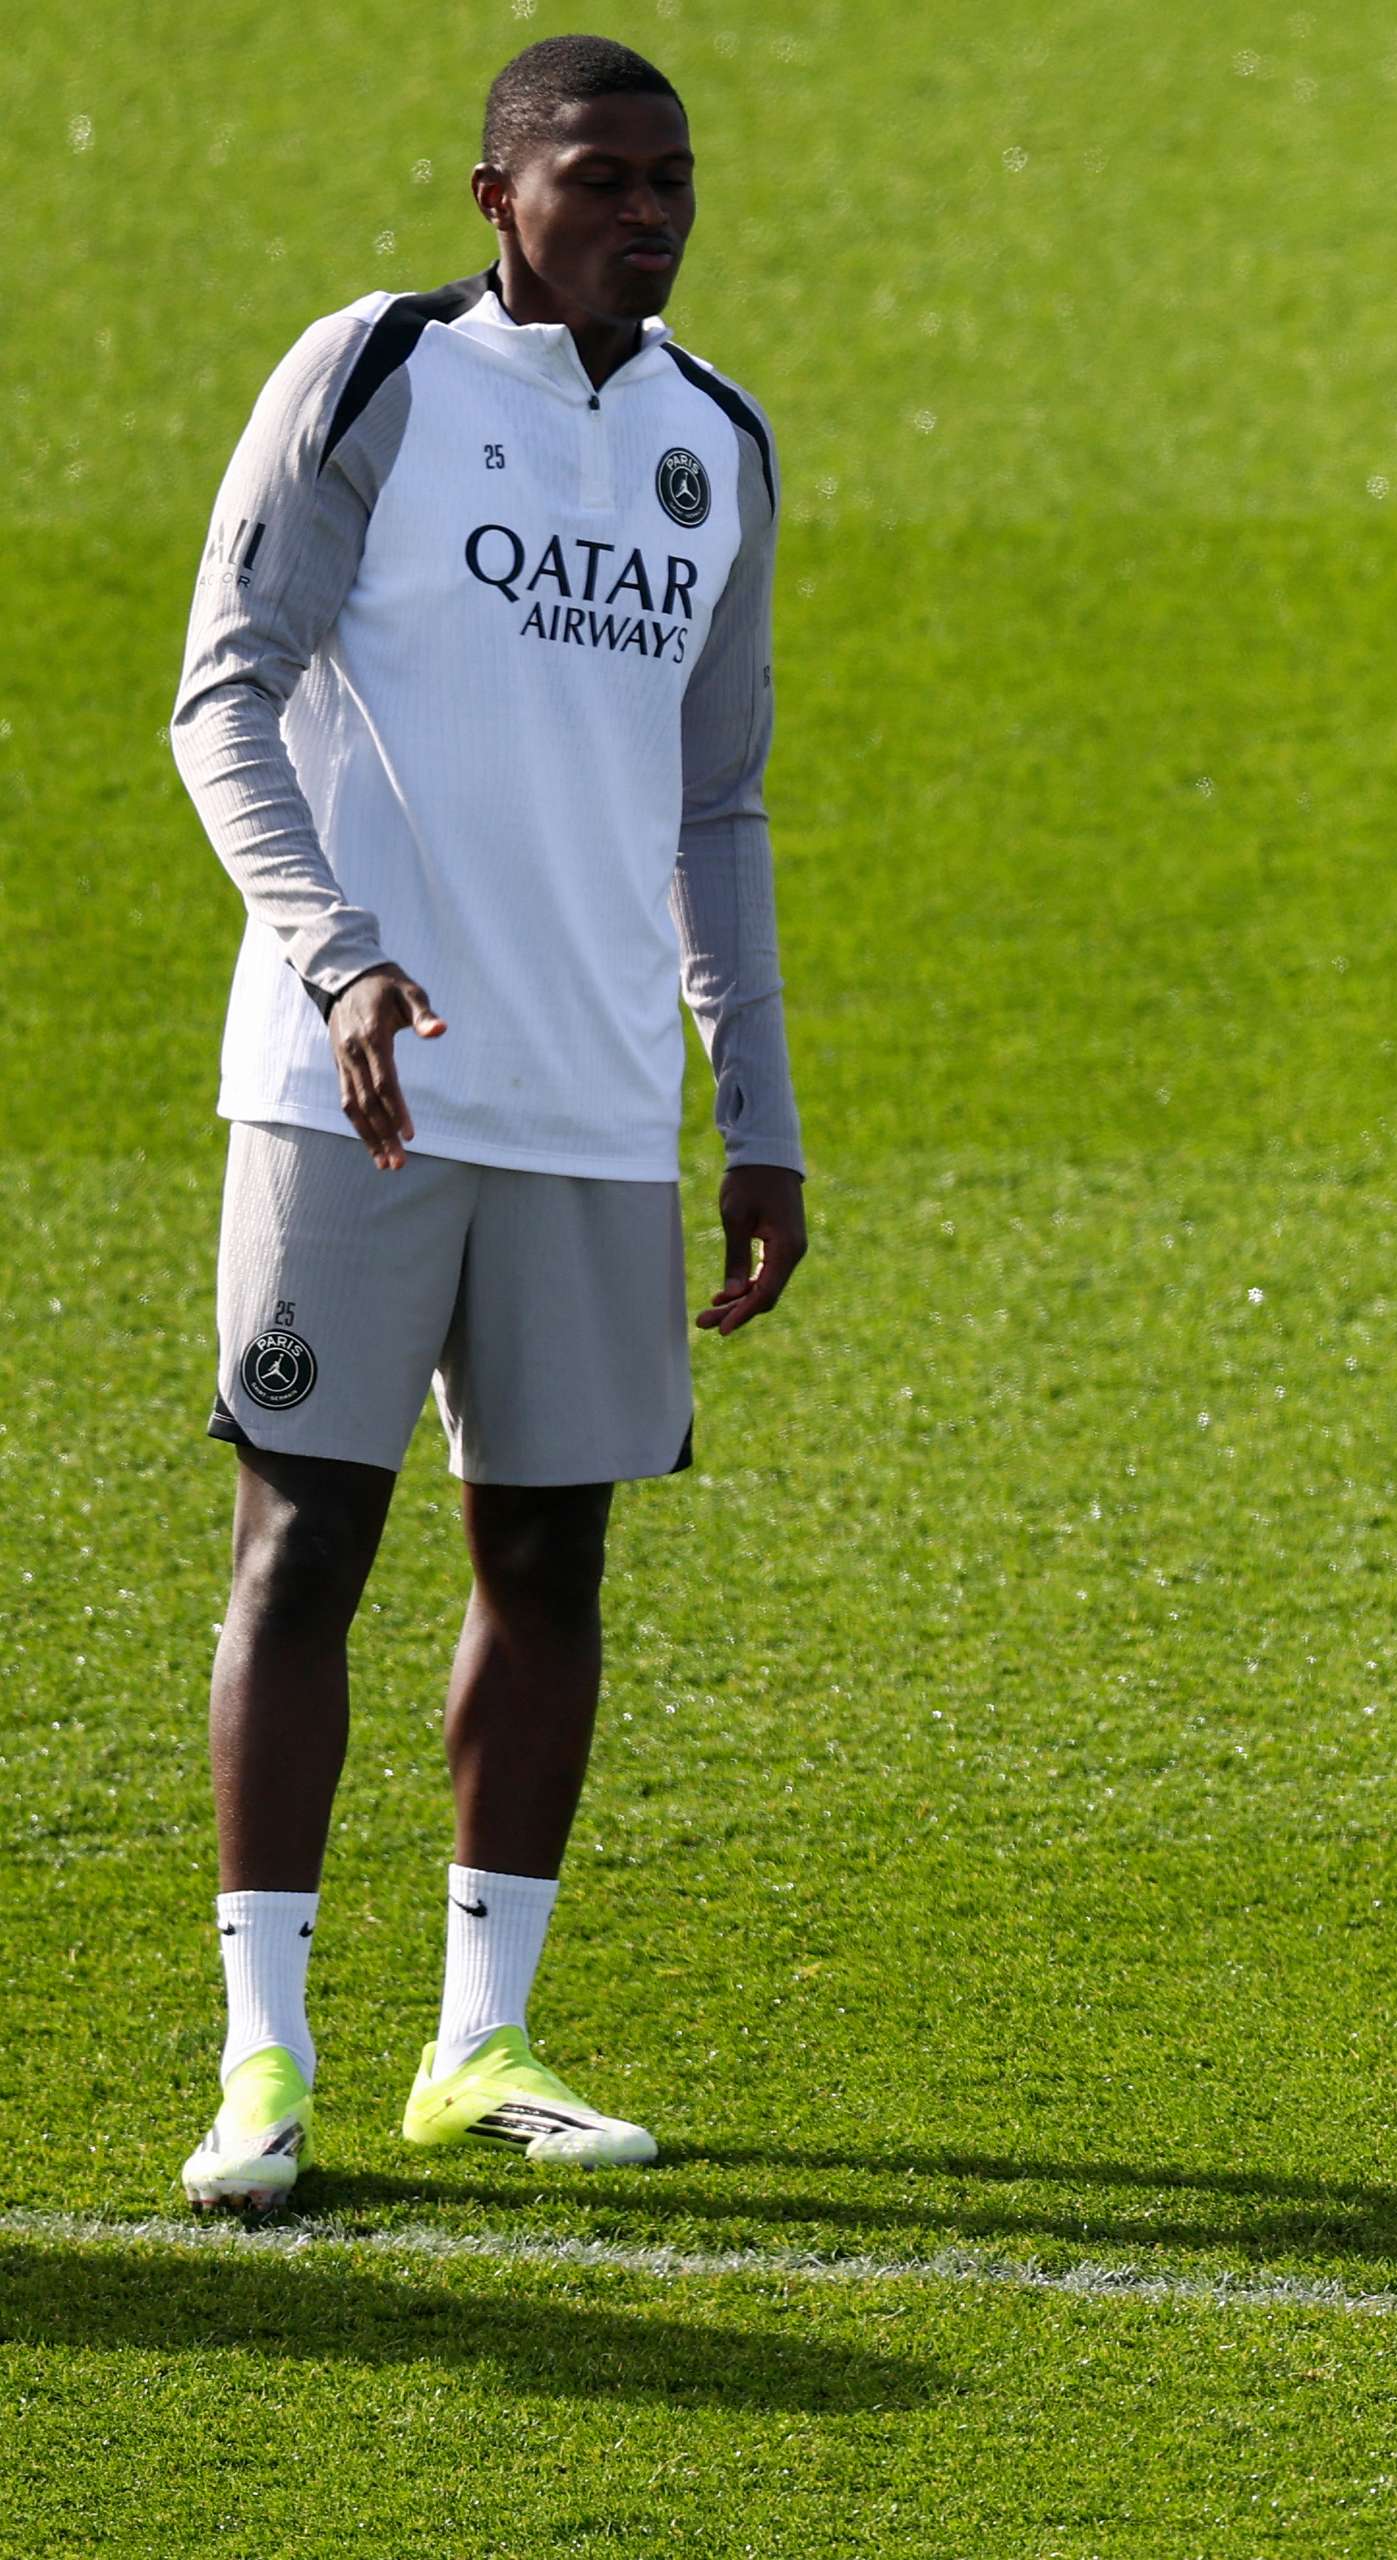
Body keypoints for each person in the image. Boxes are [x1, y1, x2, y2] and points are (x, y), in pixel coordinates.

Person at [168, 33, 806, 2214]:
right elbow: (219, 688)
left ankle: (479, 2038)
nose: (652, 210)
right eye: (605, 175)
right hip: (351, 1093)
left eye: (677, 178)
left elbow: (718, 806)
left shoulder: (717, 445)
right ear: (495, 197)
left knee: (547, 1559)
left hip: (601, 1106)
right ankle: (264, 2057)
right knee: (305, 1543)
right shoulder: (370, 377)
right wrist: (337, 952)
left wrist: (761, 1106)